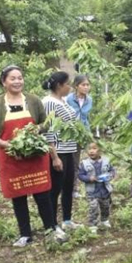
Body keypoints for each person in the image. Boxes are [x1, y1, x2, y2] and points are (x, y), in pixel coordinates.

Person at [0, 65, 67, 246]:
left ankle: (50, 229)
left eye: (20, 78)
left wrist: (37, 129)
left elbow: (46, 122)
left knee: (42, 194)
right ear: (4, 82)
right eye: (12, 78)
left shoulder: (33, 100)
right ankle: (25, 234)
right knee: (18, 195)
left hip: (35, 156)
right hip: (11, 157)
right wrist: (3, 143)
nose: (17, 81)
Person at [43, 72, 79, 231]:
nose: (70, 87)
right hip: (59, 151)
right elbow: (48, 130)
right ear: (59, 85)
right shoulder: (49, 102)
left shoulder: (62, 101)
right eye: (68, 84)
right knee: (55, 189)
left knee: (68, 186)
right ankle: (53, 224)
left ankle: (67, 220)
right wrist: (54, 156)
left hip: (69, 149)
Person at [77, 141, 115, 231]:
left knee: (105, 206)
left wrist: (110, 175)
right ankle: (92, 224)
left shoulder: (106, 161)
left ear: (100, 150)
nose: (91, 151)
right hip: (92, 191)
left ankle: (104, 220)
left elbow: (112, 170)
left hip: (104, 190)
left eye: (94, 148)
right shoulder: (84, 163)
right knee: (93, 207)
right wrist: (89, 178)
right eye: (89, 149)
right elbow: (80, 175)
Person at [67, 74, 92, 198]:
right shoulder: (68, 99)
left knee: (76, 162)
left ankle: (74, 189)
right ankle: (66, 187)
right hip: (69, 134)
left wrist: (88, 133)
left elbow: (86, 118)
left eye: (88, 85)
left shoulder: (89, 100)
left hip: (82, 135)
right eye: (83, 85)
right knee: (69, 162)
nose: (86, 87)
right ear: (76, 86)